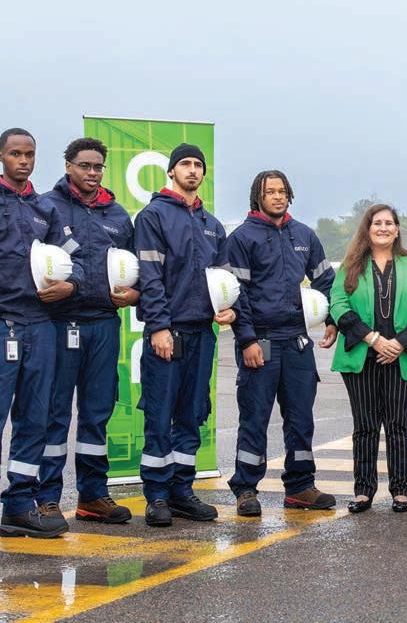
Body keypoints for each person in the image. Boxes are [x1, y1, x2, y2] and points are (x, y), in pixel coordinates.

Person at [0, 128, 85, 546]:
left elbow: (75, 259)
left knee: (35, 421)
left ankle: (18, 508)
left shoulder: (45, 208)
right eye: (15, 153)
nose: (23, 161)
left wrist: (70, 286)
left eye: (29, 154)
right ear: (0, 155)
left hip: (41, 327)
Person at [36, 137, 138, 524]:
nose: (92, 173)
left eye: (98, 167)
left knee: (97, 413)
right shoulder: (47, 206)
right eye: (84, 166)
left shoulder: (118, 215)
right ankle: (47, 498)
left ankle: (92, 496)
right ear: (68, 166)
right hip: (61, 323)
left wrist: (136, 294)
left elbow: (136, 267)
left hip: (105, 324)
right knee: (55, 414)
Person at [226, 170, 338, 516]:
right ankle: (246, 488)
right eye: (270, 191)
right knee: (255, 418)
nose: (277, 196)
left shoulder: (303, 235)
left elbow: (325, 281)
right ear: (257, 197)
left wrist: (332, 319)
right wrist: (247, 339)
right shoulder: (242, 238)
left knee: (301, 418)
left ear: (290, 195)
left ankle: (300, 486)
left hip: (297, 342)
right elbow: (237, 294)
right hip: (260, 340)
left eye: (282, 191)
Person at [134, 143, 232, 527]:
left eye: (198, 165)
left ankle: (181, 491)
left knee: (191, 414)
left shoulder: (213, 225)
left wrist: (229, 307)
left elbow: (223, 279)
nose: (192, 170)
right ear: (171, 171)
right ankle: (157, 495)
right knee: (160, 414)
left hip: (202, 333)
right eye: (185, 164)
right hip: (168, 331)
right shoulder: (153, 216)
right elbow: (150, 278)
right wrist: (159, 326)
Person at [330, 204, 407, 513]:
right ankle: (363, 491)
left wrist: (400, 343)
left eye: (389, 223)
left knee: (399, 424)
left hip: (402, 357)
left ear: (398, 230)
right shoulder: (351, 265)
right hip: (362, 355)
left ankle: (401, 491)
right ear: (368, 228)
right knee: (365, 426)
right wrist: (373, 339)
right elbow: (338, 304)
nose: (383, 228)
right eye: (377, 223)